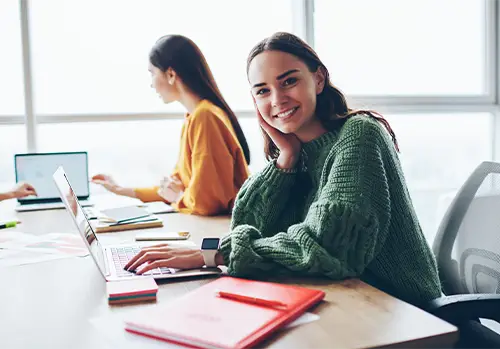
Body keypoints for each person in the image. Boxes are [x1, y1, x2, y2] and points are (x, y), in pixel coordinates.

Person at [124, 32, 442, 308]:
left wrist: (212, 255)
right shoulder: (296, 152)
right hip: (344, 295)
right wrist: (285, 159)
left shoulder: (359, 135)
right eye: (262, 90)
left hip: (401, 307)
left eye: (289, 81)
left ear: (318, 79)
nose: (277, 99)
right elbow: (246, 225)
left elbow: (327, 248)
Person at [92, 35, 251, 216]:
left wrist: (178, 198)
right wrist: (119, 189)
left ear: (170, 75)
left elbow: (205, 203)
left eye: (152, 73)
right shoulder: (194, 117)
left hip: (220, 228)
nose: (151, 84)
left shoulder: (205, 117)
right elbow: (174, 187)